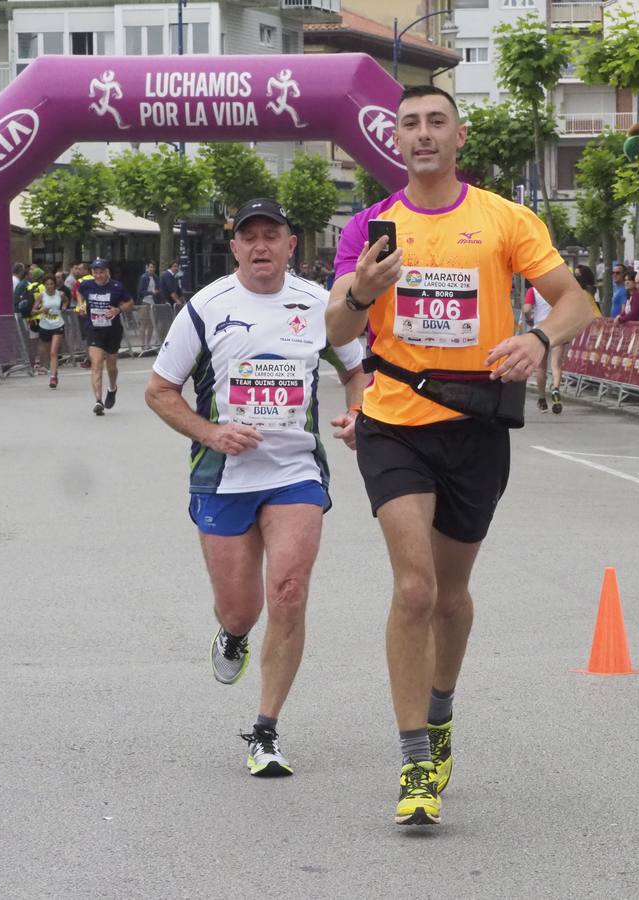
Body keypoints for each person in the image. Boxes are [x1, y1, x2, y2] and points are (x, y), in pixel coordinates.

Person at [325, 84, 592, 826]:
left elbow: (575, 301)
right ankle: (416, 762)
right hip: (393, 422)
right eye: (409, 124)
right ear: (396, 140)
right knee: (412, 591)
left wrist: (539, 339)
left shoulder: (505, 218)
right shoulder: (373, 225)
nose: (422, 134)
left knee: (449, 596)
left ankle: (440, 709)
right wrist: (360, 292)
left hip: (475, 425)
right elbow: (335, 323)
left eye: (436, 121)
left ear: (459, 136)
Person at [146, 198, 367, 779]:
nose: (262, 246)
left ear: (292, 244)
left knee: (289, 592)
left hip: (295, 472)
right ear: (235, 246)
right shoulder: (205, 307)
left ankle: (265, 731)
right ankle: (233, 633)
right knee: (242, 607)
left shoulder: (321, 304)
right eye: (251, 237)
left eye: (273, 235)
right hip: (223, 478)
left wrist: (358, 414)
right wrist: (210, 432)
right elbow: (160, 390)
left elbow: (355, 369)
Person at [79, 258, 134, 416]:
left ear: (107, 272)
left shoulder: (117, 287)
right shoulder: (86, 285)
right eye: (95, 272)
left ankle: (112, 387)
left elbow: (130, 303)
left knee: (111, 367)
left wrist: (118, 310)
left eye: (101, 272)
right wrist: (81, 304)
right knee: (96, 363)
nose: (98, 275)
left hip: (112, 331)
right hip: (94, 329)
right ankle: (98, 401)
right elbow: (78, 292)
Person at [523, 281, 561, 413]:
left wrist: (529, 319)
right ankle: (556, 388)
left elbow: (527, 309)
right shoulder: (558, 288)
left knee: (541, 367)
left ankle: (542, 400)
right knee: (556, 365)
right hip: (557, 329)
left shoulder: (533, 291)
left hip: (541, 330)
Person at [32, 273, 65, 388]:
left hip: (58, 325)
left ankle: (53, 378)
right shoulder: (41, 296)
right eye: (47, 284)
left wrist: (64, 307)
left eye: (51, 284)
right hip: (45, 326)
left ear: (55, 285)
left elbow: (66, 301)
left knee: (53, 352)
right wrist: (41, 310)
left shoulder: (60, 294)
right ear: (44, 285)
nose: (49, 286)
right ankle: (54, 372)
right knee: (48, 352)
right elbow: (33, 311)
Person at [136, 261, 159, 349]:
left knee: (151, 324)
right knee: (144, 323)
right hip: (145, 302)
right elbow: (140, 291)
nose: (152, 269)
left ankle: (148, 344)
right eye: (151, 267)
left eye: (153, 267)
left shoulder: (155, 277)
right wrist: (152, 292)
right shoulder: (144, 277)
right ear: (147, 268)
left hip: (153, 303)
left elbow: (158, 288)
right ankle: (143, 344)